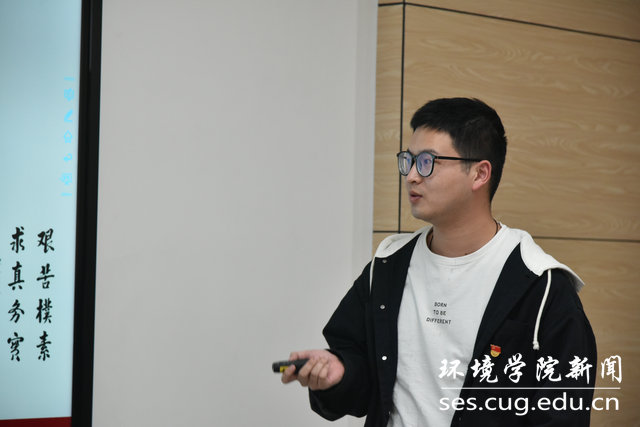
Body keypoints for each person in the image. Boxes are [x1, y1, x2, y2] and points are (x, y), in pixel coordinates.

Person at [281, 98, 596, 426]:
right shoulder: (388, 267)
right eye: (409, 160)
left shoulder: (541, 286)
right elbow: (365, 382)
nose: (411, 176)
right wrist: (340, 374)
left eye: (427, 162)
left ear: (479, 173)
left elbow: (563, 414)